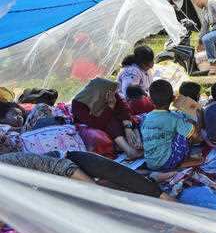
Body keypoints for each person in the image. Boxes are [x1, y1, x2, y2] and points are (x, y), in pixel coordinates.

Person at [0, 150, 176, 200]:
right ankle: (153, 176)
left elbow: (61, 166)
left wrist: (95, 190)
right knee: (122, 198)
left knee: (120, 178)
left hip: (74, 164)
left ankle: (161, 192)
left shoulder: (9, 162)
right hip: (57, 190)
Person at [72, 78, 142, 159]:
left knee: (131, 118)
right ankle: (129, 151)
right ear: (98, 92)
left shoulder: (110, 93)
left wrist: (127, 128)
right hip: (96, 124)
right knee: (111, 122)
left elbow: (124, 108)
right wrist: (110, 107)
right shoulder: (78, 103)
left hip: (113, 120)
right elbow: (96, 123)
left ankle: (138, 143)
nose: (113, 94)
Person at [140, 80, 200, 171]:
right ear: (173, 98)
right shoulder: (174, 118)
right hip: (167, 163)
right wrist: (196, 122)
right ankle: (181, 161)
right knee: (186, 128)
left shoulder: (145, 118)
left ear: (150, 100)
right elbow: (196, 136)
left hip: (150, 163)